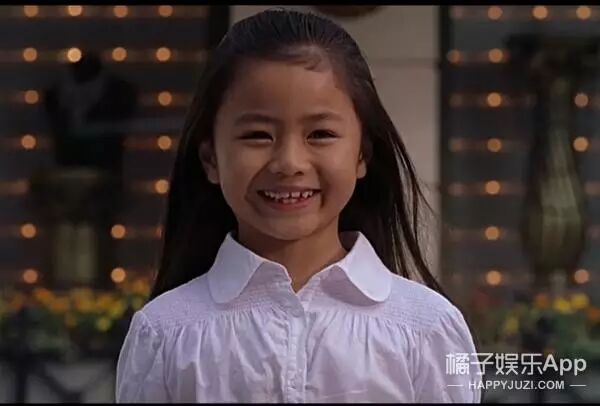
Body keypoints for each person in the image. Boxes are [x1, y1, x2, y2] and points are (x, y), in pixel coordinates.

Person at [115, 9, 482, 403]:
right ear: (211, 159)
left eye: (320, 134)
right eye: (258, 135)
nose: (289, 163)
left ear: (362, 154)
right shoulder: (166, 333)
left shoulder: (426, 328)